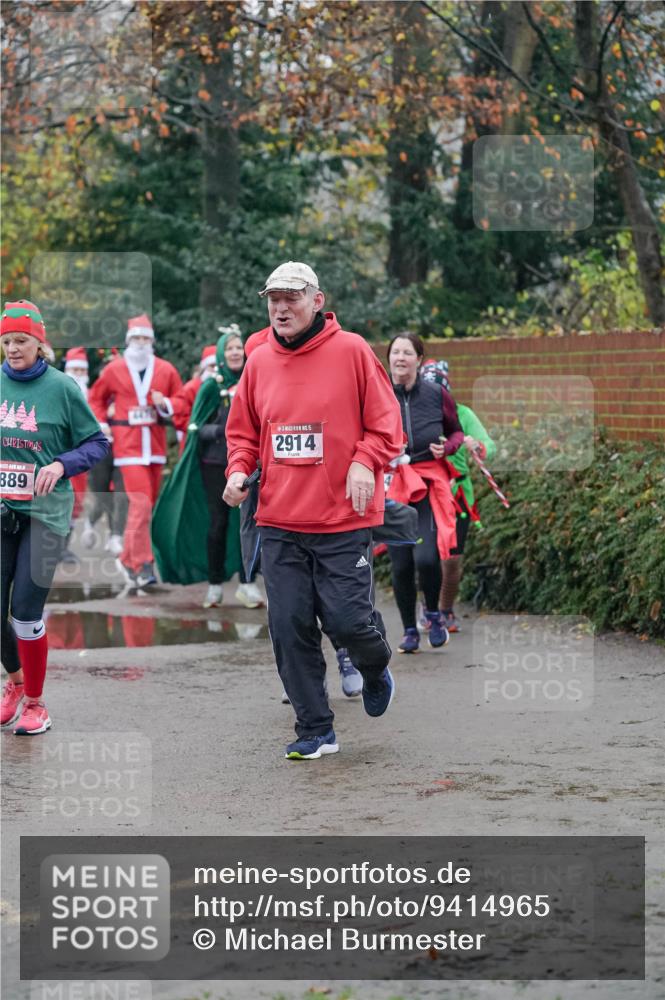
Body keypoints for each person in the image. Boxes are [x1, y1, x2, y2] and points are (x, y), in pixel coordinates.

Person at [223, 261, 403, 760]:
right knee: (289, 625)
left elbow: (388, 425)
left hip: (342, 519)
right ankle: (315, 729)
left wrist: (365, 460)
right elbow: (244, 433)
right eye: (273, 300)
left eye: (291, 298)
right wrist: (238, 471)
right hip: (279, 519)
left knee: (347, 621)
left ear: (317, 301)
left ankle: (373, 664)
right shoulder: (258, 361)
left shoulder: (352, 351)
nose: (281, 308)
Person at [0, 300, 110, 734]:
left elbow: (97, 444)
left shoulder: (63, 388)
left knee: (25, 612)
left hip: (46, 513)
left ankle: (36, 703)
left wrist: (61, 464)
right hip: (3, 510)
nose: (12, 348)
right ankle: (13, 683)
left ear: (39, 343)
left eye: (21, 340)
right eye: (6, 341)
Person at [151, 329, 260, 609]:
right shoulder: (211, 386)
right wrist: (225, 431)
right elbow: (197, 428)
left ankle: (248, 583)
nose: (236, 352)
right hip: (215, 465)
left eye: (239, 348)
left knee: (248, 525)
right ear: (222, 353)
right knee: (219, 524)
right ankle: (214, 586)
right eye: (230, 348)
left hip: (250, 465)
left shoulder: (255, 380)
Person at [88, 315, 182, 588]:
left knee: (146, 506)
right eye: (136, 339)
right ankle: (143, 564)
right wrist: (103, 423)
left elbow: (180, 398)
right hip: (127, 445)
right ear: (129, 341)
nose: (141, 344)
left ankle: (128, 558)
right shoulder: (114, 369)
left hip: (154, 446)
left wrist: (164, 402)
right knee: (140, 504)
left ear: (151, 341)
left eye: (145, 339)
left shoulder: (165, 369)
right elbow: (96, 398)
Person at [386, 333, 464, 653]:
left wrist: (447, 447)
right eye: (395, 352)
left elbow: (457, 431)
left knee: (428, 559)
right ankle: (408, 630)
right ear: (388, 359)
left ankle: (433, 614)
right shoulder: (377, 394)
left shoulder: (435, 394)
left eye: (407, 353)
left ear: (419, 359)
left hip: (426, 484)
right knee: (401, 565)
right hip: (393, 485)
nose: (400, 358)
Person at [422, 361, 496, 633]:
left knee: (452, 560)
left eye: (438, 391)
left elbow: (490, 445)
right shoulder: (412, 411)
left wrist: (477, 445)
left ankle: (445, 608)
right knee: (426, 557)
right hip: (424, 493)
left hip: (457, 496)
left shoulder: (462, 414)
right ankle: (429, 607)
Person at [152, 342, 218, 454]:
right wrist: (199, 428)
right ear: (205, 367)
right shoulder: (191, 388)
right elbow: (179, 417)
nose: (215, 370)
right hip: (194, 442)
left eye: (218, 366)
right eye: (212, 366)